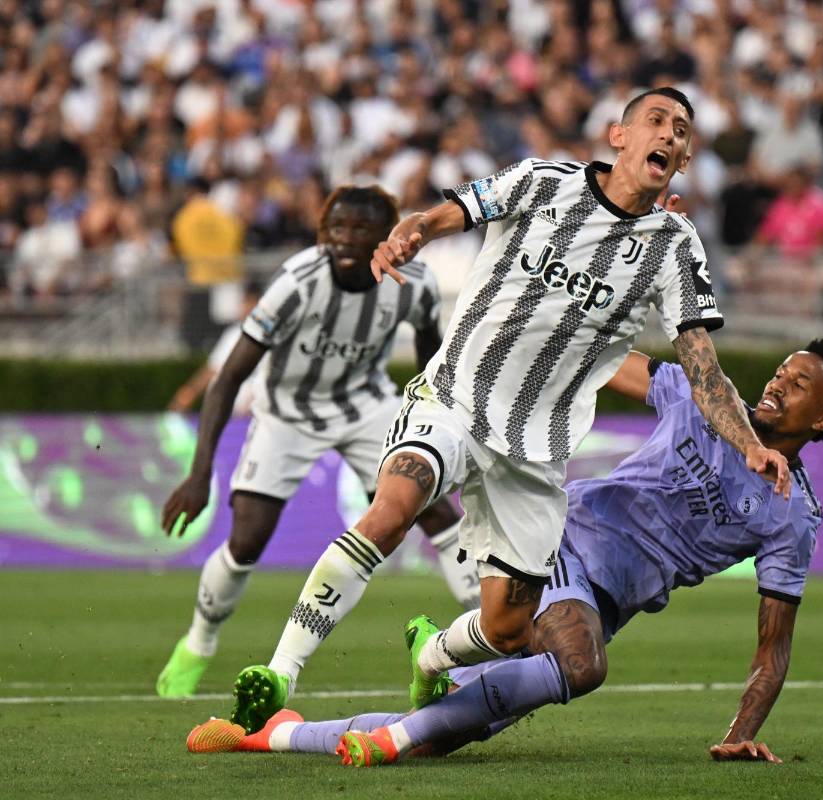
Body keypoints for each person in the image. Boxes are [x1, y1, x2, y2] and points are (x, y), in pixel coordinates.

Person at [226, 86, 793, 735]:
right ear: (619, 135)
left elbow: (703, 366)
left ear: (685, 160)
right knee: (393, 507)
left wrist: (750, 444)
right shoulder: (544, 182)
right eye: (657, 121)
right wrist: (409, 233)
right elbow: (447, 214)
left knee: (508, 627)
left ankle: (432, 653)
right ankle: (279, 673)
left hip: (535, 449)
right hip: (457, 398)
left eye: (682, 131)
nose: (669, 135)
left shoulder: (674, 246)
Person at [186, 340, 823, 765]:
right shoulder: (699, 402)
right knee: (581, 666)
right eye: (782, 370)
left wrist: (743, 730)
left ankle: (273, 735)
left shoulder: (792, 516)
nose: (777, 384)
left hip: (604, 603)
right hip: (561, 540)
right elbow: (603, 360)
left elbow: (773, 647)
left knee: (448, 734)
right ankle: (425, 677)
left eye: (799, 385)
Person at [155, 186, 479, 698]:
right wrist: (199, 475)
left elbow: (430, 357)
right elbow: (229, 377)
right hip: (287, 413)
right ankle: (199, 642)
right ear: (322, 233)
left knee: (433, 507)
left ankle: (489, 631)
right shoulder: (297, 282)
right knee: (246, 541)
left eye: (361, 230)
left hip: (364, 406)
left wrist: (442, 424)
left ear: (386, 236)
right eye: (337, 229)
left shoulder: (412, 281)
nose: (346, 240)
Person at [168, 282, 264, 416]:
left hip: (255, 416)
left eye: (253, 303)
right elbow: (213, 369)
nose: (247, 308)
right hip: (229, 415)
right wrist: (189, 393)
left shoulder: (270, 339)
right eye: (245, 302)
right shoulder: (232, 334)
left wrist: (253, 402)